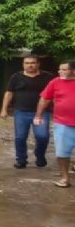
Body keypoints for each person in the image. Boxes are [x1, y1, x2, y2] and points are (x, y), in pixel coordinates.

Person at [0, 55, 53, 168]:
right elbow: (9, 93)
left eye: (33, 63)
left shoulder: (48, 77)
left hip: (41, 113)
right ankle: (21, 159)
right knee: (20, 137)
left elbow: (55, 93)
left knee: (42, 136)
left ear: (38, 64)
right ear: (23, 64)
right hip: (21, 112)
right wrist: (4, 109)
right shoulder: (16, 77)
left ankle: (40, 155)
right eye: (27, 63)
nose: (30, 65)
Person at [34, 60, 75, 188]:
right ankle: (65, 178)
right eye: (59, 69)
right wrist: (38, 115)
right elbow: (44, 99)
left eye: (64, 69)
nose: (60, 72)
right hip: (63, 123)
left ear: (73, 71)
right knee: (62, 152)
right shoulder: (55, 82)